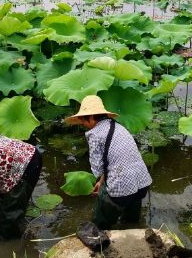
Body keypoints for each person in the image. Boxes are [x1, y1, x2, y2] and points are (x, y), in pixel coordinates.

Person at [65, 95, 152, 230]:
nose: (85, 126)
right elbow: (115, 159)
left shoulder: (94, 134)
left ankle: (100, 241)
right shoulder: (119, 127)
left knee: (100, 222)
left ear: (92, 117)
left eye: (84, 122)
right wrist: (101, 181)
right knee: (131, 222)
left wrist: (100, 182)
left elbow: (98, 169)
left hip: (122, 187)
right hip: (141, 183)